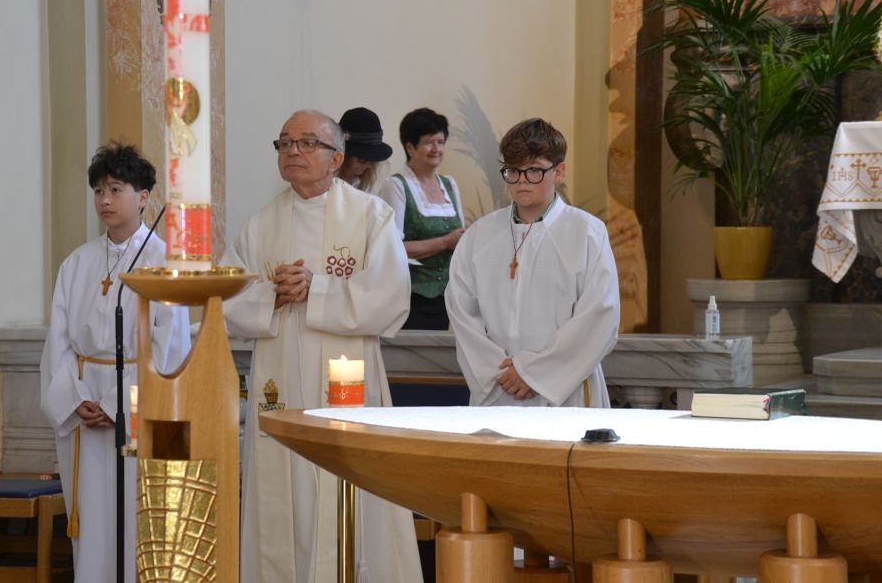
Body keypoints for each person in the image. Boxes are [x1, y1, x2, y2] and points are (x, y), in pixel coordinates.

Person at [222, 109, 423, 583]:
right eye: (284, 143)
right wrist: (272, 295)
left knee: (347, 487)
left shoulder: (371, 216)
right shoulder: (260, 225)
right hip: (280, 382)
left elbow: (392, 297)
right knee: (283, 489)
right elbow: (228, 300)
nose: (293, 151)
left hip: (345, 381)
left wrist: (318, 289)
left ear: (336, 158)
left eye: (307, 143)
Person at [40, 143, 191, 583]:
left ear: (143, 197)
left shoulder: (164, 262)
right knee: (93, 524)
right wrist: (76, 399)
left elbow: (168, 344)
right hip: (84, 403)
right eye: (99, 191)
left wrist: (118, 403)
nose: (105, 200)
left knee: (137, 518)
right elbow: (58, 341)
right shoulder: (77, 263)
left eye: (116, 189)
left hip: (138, 404)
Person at [445, 118, 620, 407]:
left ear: (559, 172)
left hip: (564, 393)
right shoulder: (480, 235)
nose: (522, 181)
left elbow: (600, 315)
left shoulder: (586, 232)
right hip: (498, 390)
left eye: (534, 170)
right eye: (513, 171)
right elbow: (461, 311)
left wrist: (533, 374)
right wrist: (498, 373)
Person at [379, 107, 465, 329]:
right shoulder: (396, 186)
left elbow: (461, 237)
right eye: (429, 142)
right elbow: (391, 248)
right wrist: (445, 242)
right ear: (410, 147)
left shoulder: (450, 184)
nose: (437, 149)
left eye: (441, 142)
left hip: (447, 297)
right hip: (409, 297)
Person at [337, 106, 392, 192]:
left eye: (372, 160)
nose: (368, 165)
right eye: (363, 160)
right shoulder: (323, 182)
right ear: (344, 156)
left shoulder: (365, 183)